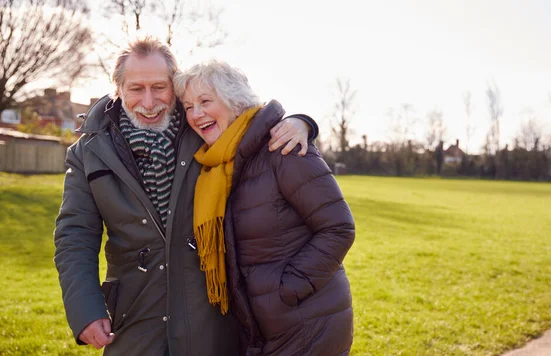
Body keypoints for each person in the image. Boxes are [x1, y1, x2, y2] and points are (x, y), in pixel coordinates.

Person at [53, 37, 319, 356]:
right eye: (137, 89)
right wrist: (85, 310)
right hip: (134, 315)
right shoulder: (88, 152)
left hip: (211, 314)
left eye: (159, 87)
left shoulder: (205, 126)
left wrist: (300, 122)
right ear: (118, 89)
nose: (149, 102)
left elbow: (254, 118)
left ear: (176, 87)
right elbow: (75, 235)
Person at [174, 60, 355, 355]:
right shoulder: (217, 163)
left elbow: (338, 227)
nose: (196, 114)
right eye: (188, 106)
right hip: (258, 328)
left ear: (235, 101)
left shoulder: (282, 148)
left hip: (309, 325)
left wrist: (286, 291)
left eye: (206, 101)